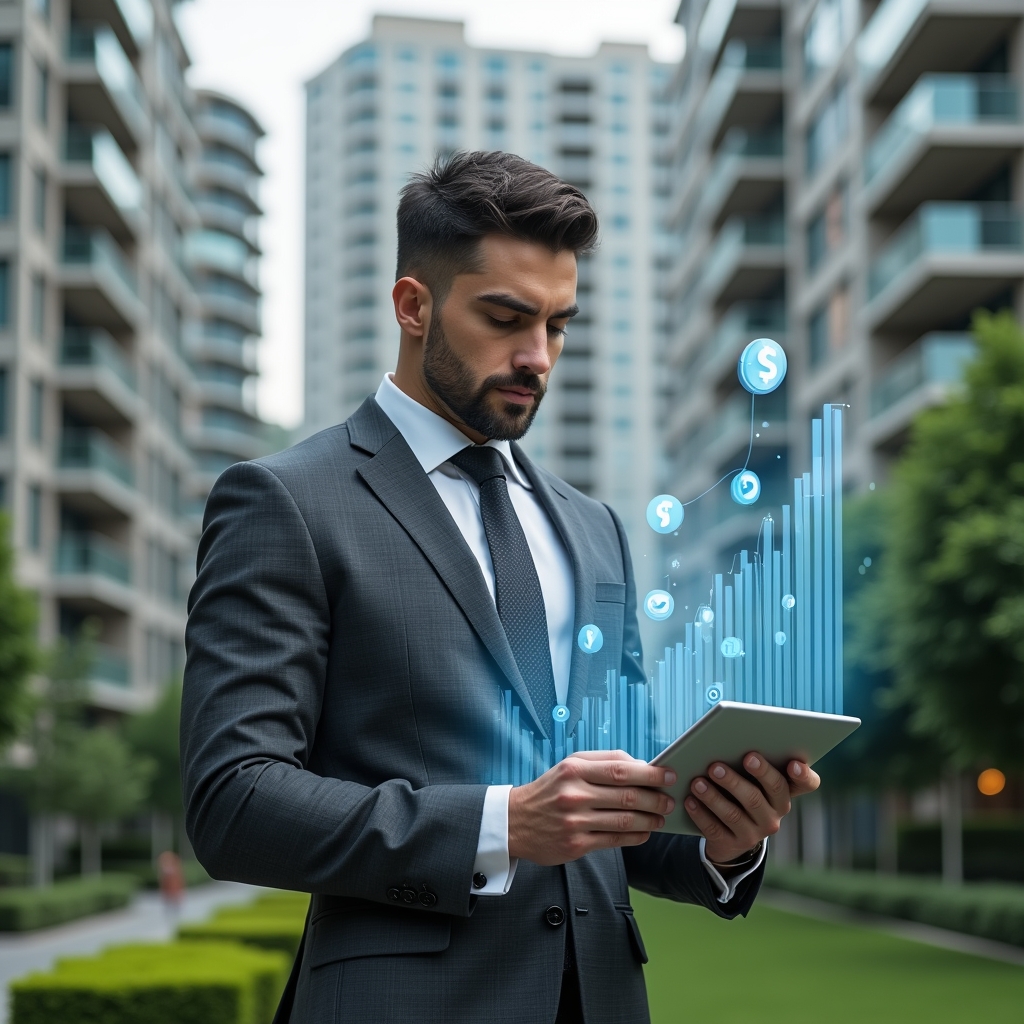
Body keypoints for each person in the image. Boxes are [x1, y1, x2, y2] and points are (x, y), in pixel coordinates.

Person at [181, 151, 820, 1024]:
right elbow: (235, 800)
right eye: (507, 318)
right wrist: (501, 824)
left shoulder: (593, 529)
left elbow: (616, 813)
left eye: (559, 325)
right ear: (413, 306)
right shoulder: (286, 501)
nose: (537, 357)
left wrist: (723, 838)